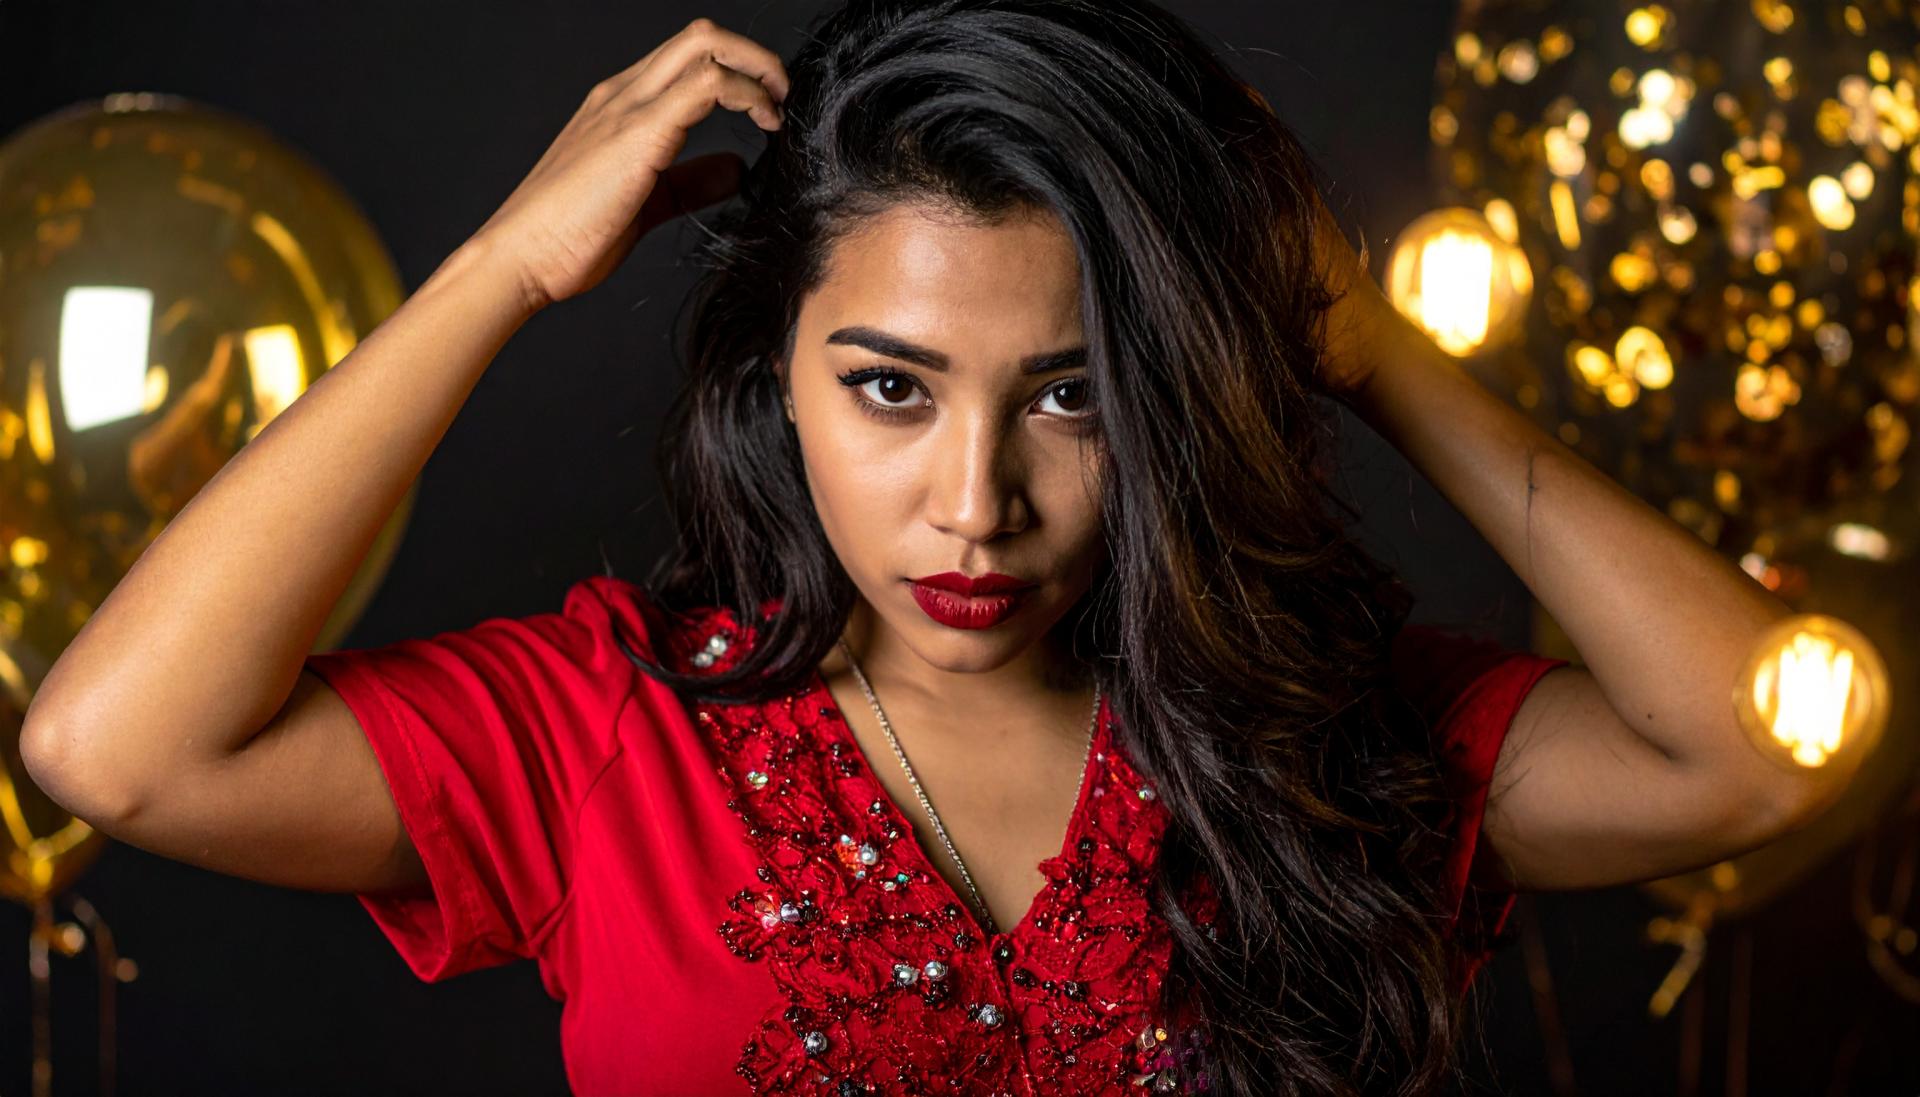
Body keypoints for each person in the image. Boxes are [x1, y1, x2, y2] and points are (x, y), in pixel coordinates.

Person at [21, 2, 1855, 1094]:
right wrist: (504, 268)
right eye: (892, 390)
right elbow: (113, 745)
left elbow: (1756, 746)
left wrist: (1365, 343)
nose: (975, 502)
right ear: (779, 378)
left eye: (1072, 398)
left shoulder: (1327, 738)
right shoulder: (609, 730)